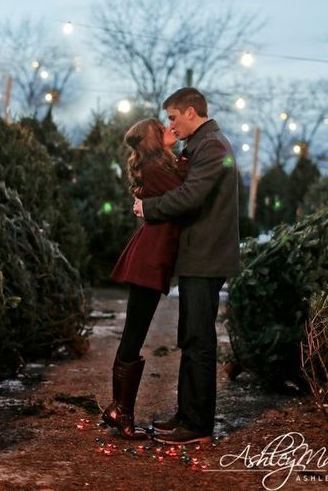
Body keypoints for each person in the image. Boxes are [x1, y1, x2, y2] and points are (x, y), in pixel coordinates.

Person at [133, 87, 240, 444]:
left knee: (199, 339)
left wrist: (149, 208)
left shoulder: (212, 147)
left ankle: (196, 426)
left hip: (206, 256)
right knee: (191, 337)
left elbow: (190, 195)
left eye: (174, 117)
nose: (171, 125)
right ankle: (186, 415)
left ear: (191, 112)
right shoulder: (202, 145)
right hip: (199, 254)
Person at [102, 117, 188, 440]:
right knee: (134, 333)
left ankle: (118, 408)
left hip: (151, 258)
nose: (167, 129)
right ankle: (121, 412)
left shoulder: (158, 167)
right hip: (148, 260)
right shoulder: (155, 169)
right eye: (160, 127)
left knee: (134, 333)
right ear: (152, 138)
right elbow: (186, 193)